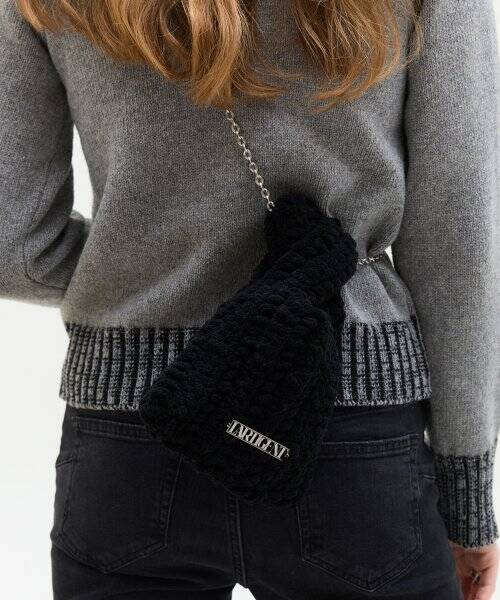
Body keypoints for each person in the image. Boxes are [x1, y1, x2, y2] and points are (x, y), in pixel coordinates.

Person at [0, 0, 498, 598]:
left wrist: (134, 279)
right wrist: (468, 498)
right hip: (351, 433)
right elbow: (457, 240)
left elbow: (13, 247)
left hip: (128, 441)